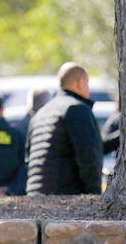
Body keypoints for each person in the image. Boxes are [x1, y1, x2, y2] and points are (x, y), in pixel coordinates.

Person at [26, 62, 103, 195]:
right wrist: (94, 195)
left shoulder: (40, 114)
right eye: (87, 83)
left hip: (34, 195)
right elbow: (89, 157)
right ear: (80, 82)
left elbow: (28, 159)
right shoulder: (77, 109)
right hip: (66, 197)